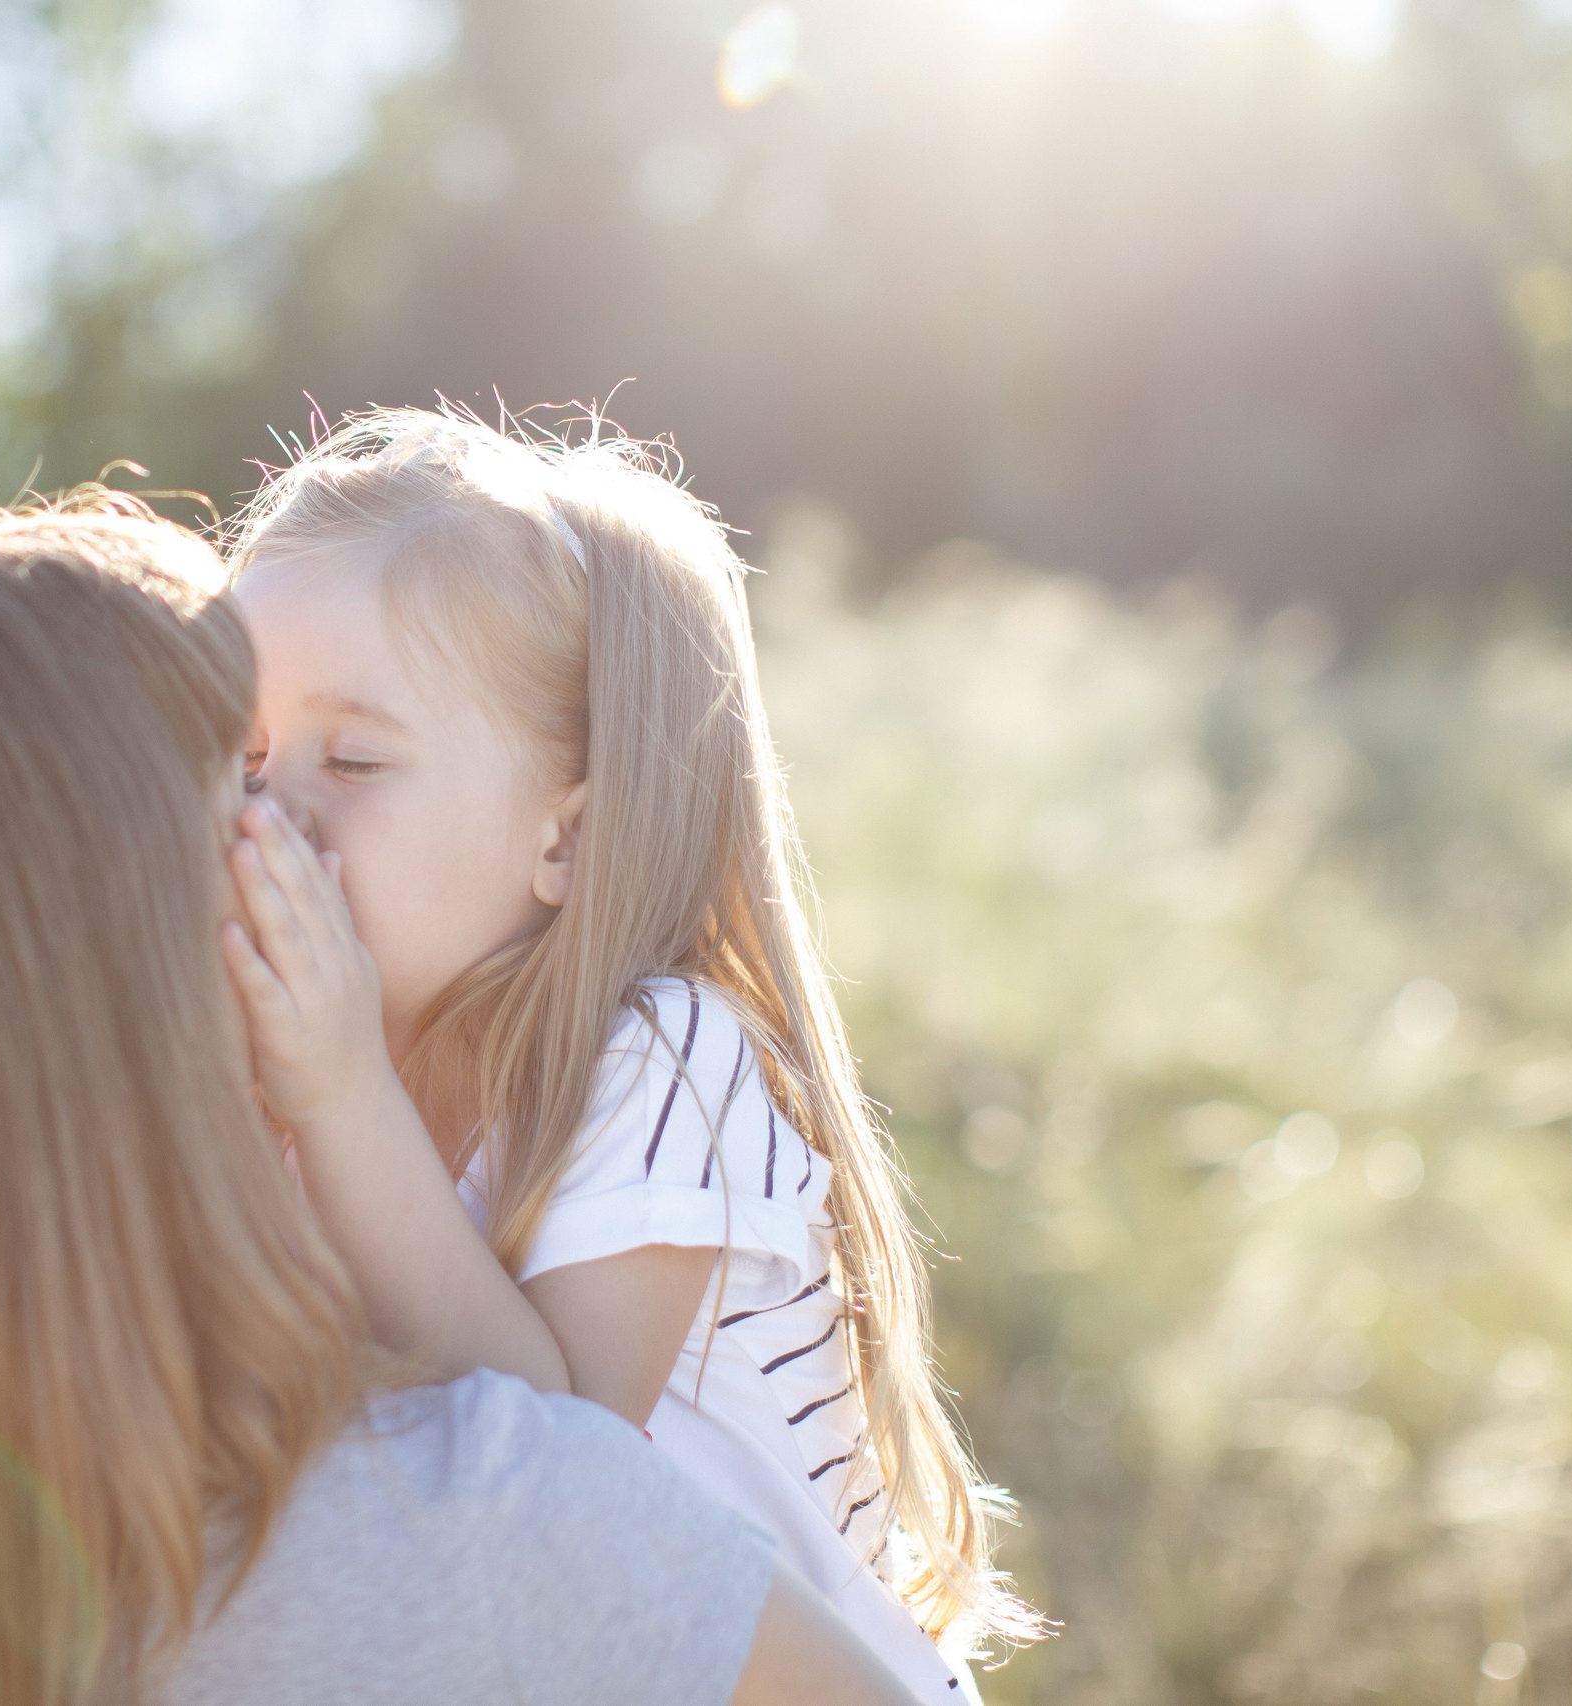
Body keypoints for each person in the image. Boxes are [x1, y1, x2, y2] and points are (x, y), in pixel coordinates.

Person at [0, 495, 921, 1705]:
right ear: (99, 982)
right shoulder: (472, 1530)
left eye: (346, 765)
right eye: (238, 798)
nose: (286, 845)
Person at [217, 410, 1043, 1702]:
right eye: (247, 755)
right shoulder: (313, 1076)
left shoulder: (657, 1056)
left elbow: (556, 1470)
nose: (273, 810)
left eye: (356, 756)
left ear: (566, 837)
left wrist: (335, 1095)